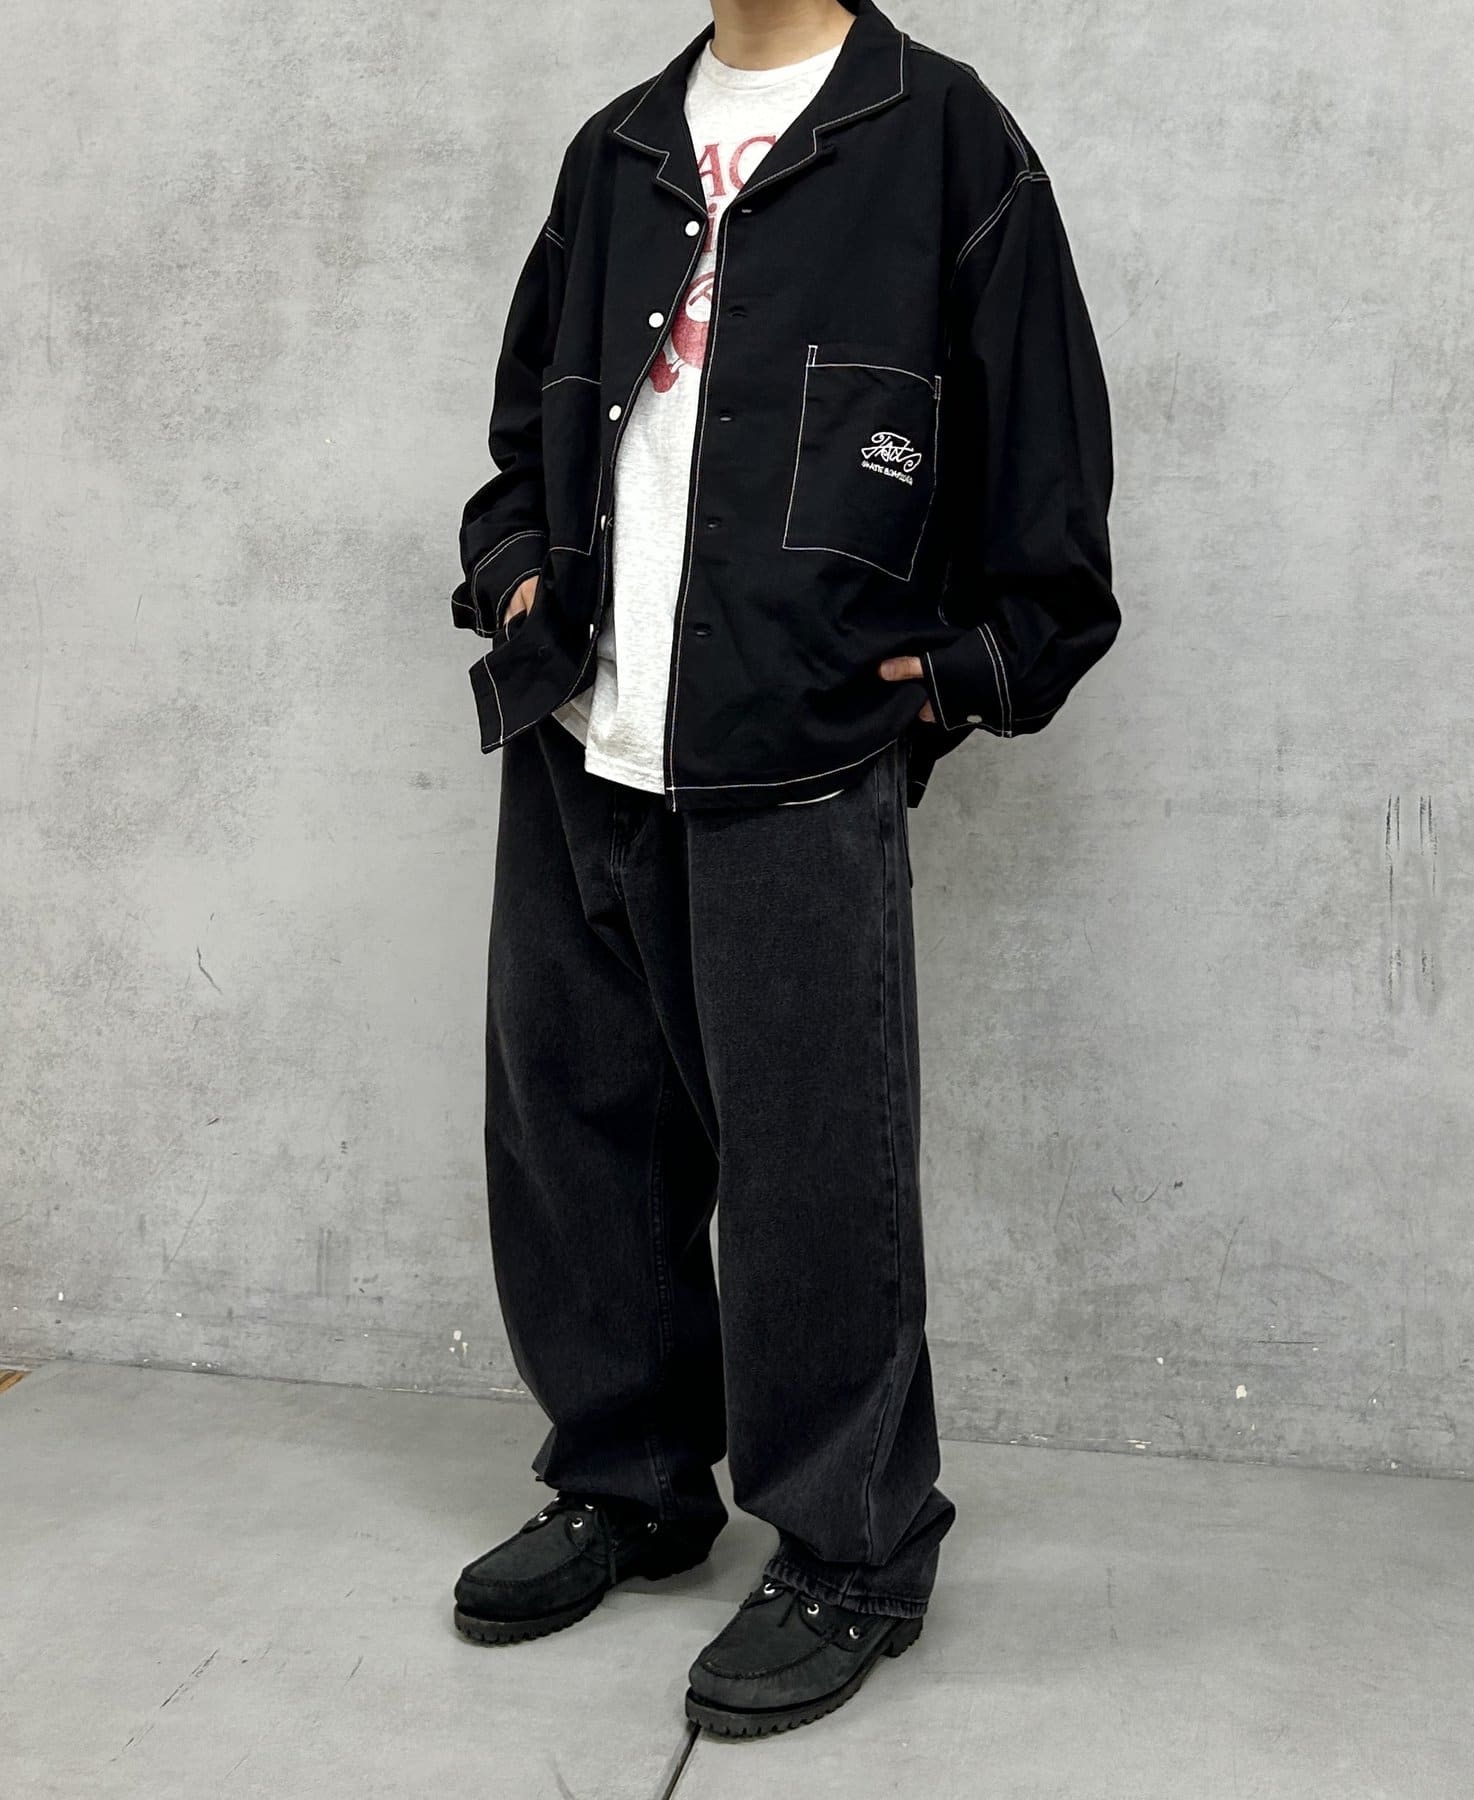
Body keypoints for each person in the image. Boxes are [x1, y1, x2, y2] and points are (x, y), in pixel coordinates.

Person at [448, 0, 1118, 1740]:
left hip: (797, 752)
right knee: (577, 1139)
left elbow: (1046, 473)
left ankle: (851, 1548)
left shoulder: (945, 140)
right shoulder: (618, 150)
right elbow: (522, 442)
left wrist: (964, 672)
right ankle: (629, 1477)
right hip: (585, 738)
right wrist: (517, 578)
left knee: (816, 1171)